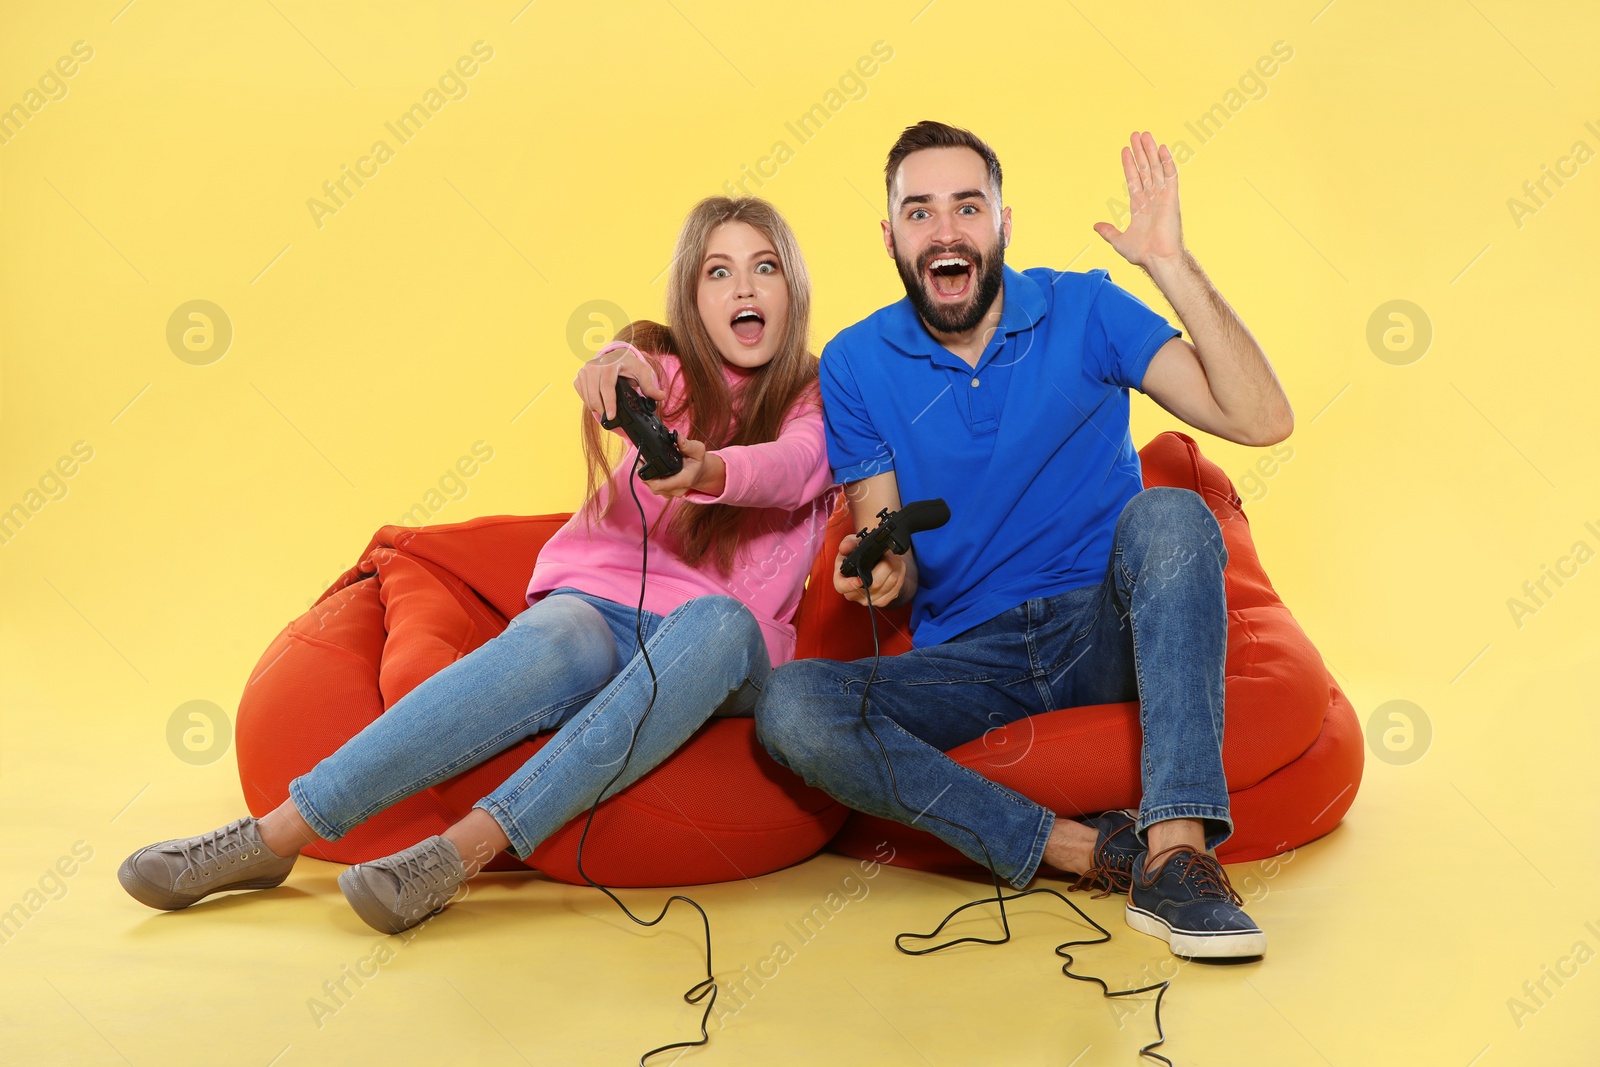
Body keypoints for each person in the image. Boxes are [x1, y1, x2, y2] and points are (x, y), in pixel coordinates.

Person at [119, 196, 836, 934]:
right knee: (557, 634)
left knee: (714, 621)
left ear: (793, 291)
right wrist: (612, 366)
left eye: (765, 267)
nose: (744, 288)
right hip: (602, 605)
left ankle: (459, 853)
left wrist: (710, 470)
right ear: (693, 298)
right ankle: (275, 835)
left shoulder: (822, 394)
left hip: (725, 651)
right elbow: (627, 362)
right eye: (720, 272)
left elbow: (796, 464)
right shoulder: (672, 373)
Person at [753, 121, 1294, 959]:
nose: (945, 231)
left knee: (1174, 513)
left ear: (1003, 223)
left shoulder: (1085, 308)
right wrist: (880, 568)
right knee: (791, 705)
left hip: (1099, 629)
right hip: (970, 661)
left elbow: (1263, 419)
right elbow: (883, 534)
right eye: (920, 211)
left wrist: (1171, 267)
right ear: (891, 235)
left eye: (967, 207)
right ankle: (1088, 850)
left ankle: (1179, 855)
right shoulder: (856, 361)